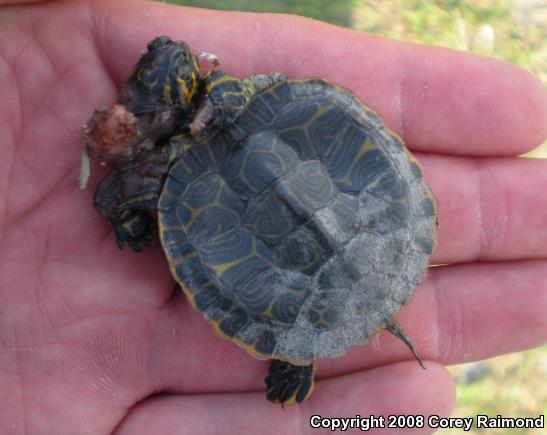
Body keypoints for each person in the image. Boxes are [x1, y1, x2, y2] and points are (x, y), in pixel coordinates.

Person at [0, 0, 546, 433]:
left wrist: (131, 221)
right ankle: (294, 349)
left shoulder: (182, 163)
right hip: (370, 222)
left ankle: (293, 348)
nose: (178, 54)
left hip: (298, 208)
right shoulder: (223, 112)